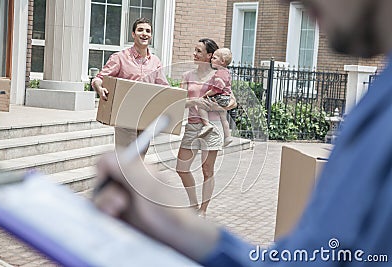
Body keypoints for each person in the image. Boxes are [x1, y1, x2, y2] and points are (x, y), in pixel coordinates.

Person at [93, 0, 392, 265]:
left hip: (200, 127)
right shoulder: (381, 94)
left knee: (199, 170)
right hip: (150, 123)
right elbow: (319, 255)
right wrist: (181, 229)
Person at [176, 39, 236, 218]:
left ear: (209, 56)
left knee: (207, 170)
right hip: (193, 125)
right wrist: (195, 101)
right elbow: (179, 102)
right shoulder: (188, 76)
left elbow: (232, 102)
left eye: (198, 51)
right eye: (194, 50)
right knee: (182, 168)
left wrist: (218, 107)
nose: (194, 54)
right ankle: (193, 203)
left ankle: (203, 210)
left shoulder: (219, 75)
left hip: (213, 126)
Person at [92, 17, 168, 151]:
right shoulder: (120, 57)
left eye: (148, 31)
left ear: (151, 36)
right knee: (125, 158)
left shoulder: (155, 61)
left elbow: (164, 87)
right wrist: (99, 88)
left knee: (140, 158)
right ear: (133, 34)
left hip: (146, 115)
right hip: (124, 114)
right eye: (140, 30)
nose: (144, 33)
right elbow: (99, 78)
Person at [197, 48, 234, 147]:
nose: (211, 60)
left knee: (201, 105)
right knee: (223, 117)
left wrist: (205, 95)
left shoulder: (219, 73)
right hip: (225, 97)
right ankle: (228, 136)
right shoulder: (226, 72)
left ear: (222, 61)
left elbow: (217, 88)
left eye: (214, 58)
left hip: (220, 97)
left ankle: (206, 125)